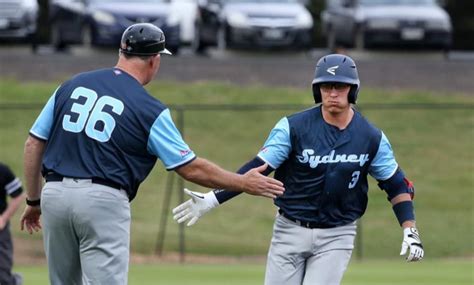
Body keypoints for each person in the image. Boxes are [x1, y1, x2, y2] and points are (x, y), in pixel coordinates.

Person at [19, 23, 284, 285]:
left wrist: (33, 201)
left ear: (121, 53)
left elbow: (33, 144)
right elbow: (190, 168)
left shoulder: (72, 85)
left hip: (54, 195)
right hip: (102, 199)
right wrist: (242, 182)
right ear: (154, 60)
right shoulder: (148, 108)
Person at [172, 54, 424, 285]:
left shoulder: (371, 137)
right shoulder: (293, 127)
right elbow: (257, 168)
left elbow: (396, 184)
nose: (333, 93)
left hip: (337, 234)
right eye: (326, 86)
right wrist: (214, 198)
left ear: (352, 90)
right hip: (289, 229)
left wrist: (409, 228)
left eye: (340, 86)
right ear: (317, 89)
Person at [0, 162, 24, 285]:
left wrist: (3, 218)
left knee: (2, 276)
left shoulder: (3, 170)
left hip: (0, 230)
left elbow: (18, 195)